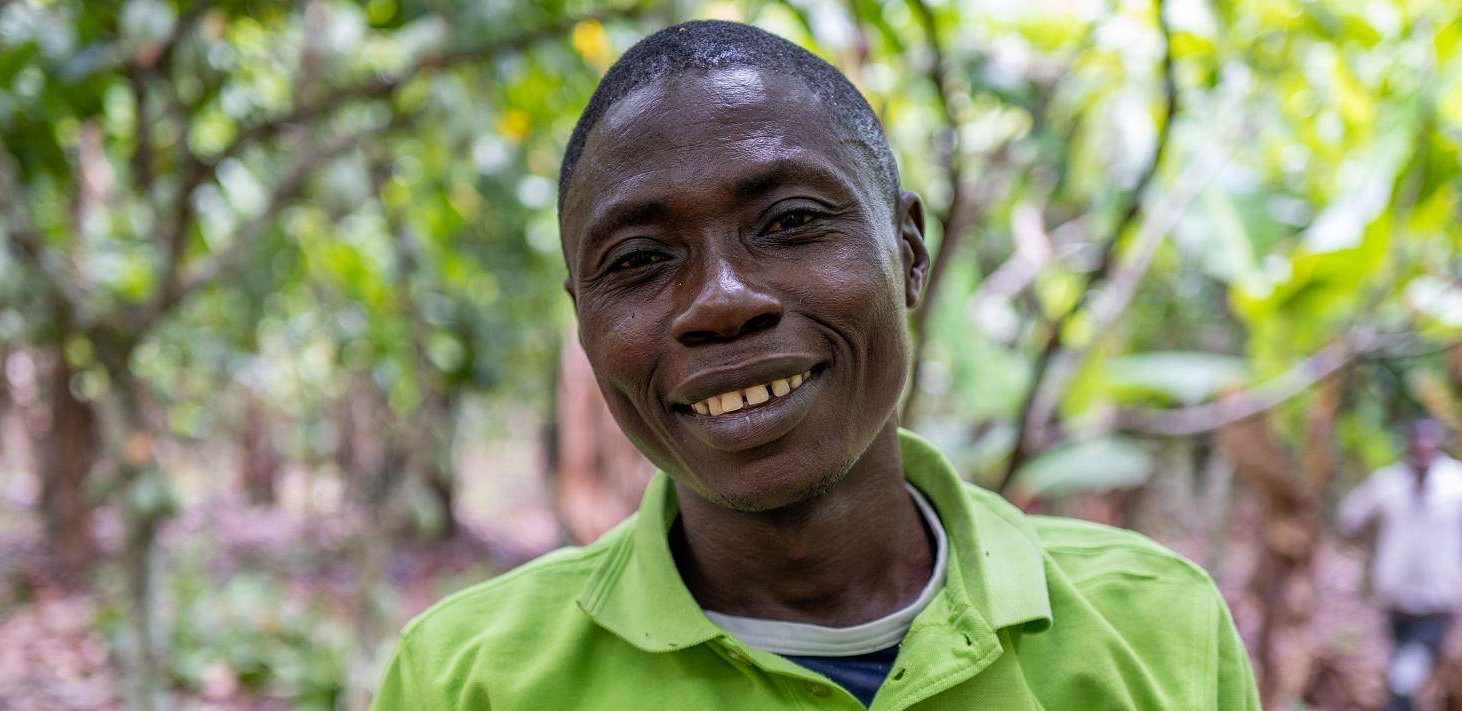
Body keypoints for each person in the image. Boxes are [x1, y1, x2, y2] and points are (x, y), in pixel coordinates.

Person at [372, 20, 1256, 709]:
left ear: (909, 252)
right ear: (584, 322)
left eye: (791, 222)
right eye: (640, 259)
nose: (721, 299)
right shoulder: (466, 681)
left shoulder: (1158, 626)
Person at [1338, 418, 1462, 711]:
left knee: (1406, 673)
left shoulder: (1456, 484)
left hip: (1438, 597)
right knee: (1403, 663)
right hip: (1396, 596)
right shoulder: (1388, 483)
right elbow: (1350, 519)